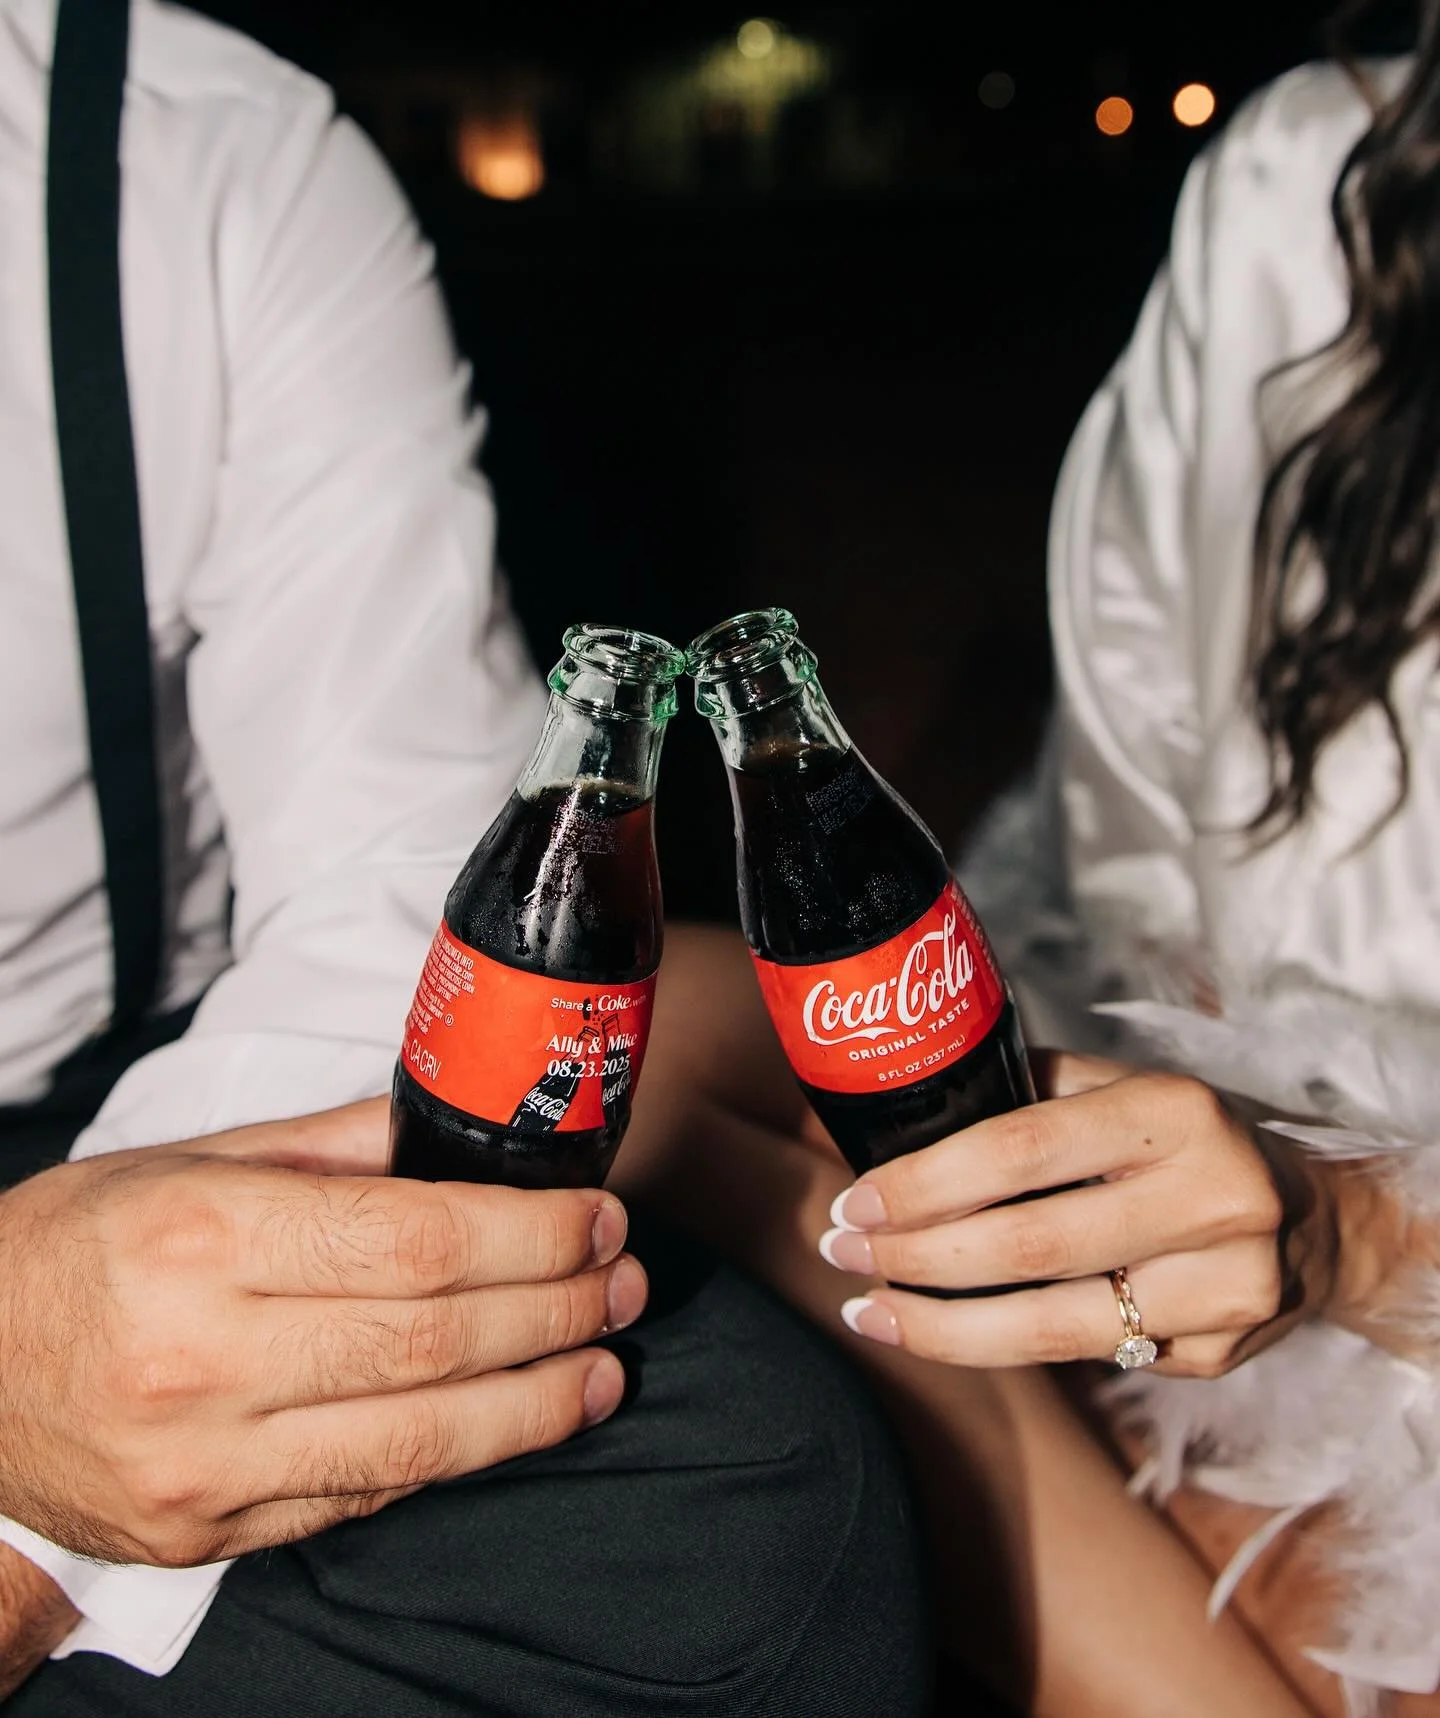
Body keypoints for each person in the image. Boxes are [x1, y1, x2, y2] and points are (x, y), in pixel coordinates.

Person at [0, 0, 931, 1711]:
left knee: (747, 1525)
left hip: (87, 1115)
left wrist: (66, 1369)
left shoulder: (197, 156)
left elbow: (393, 867)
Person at [602, 7, 1440, 1717]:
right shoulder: (1321, 187)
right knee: (649, 1041)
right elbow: (1155, 899)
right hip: (1241, 1149)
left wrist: (1358, 1239)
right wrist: (1209, 1209)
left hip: (1382, 1260)